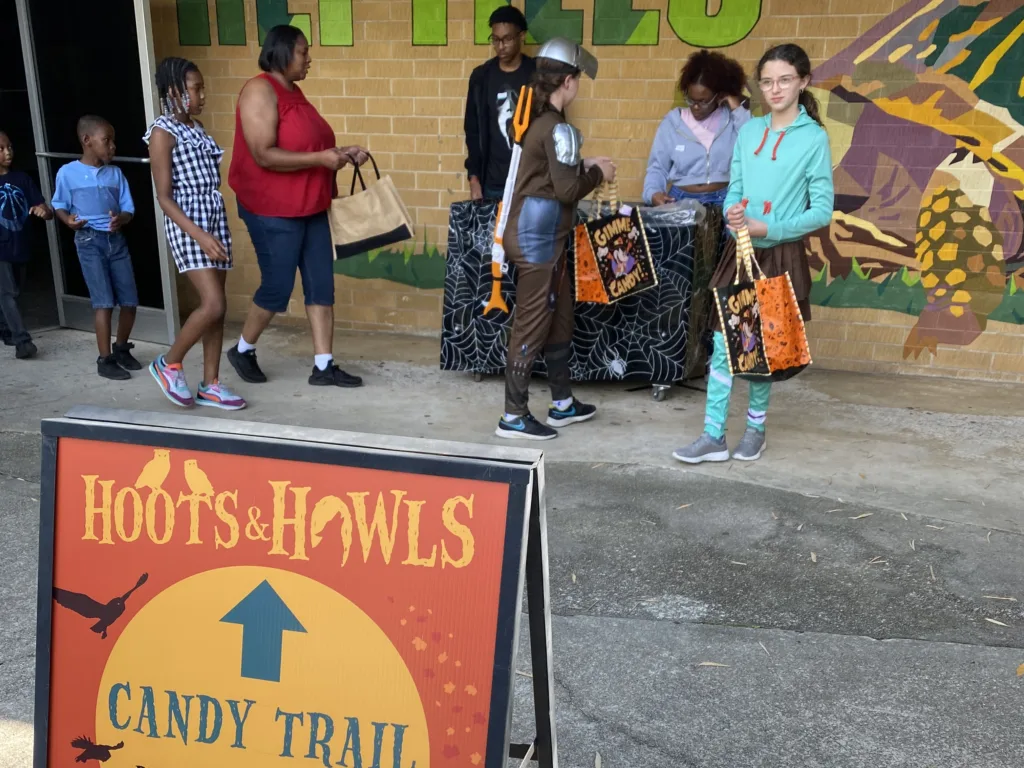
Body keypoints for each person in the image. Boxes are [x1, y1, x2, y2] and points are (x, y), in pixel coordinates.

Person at [672, 43, 834, 464]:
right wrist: (733, 213)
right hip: (739, 252)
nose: (775, 89)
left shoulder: (813, 139)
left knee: (762, 347)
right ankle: (712, 435)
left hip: (780, 255)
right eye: (766, 81)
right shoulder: (749, 131)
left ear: (803, 81)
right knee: (724, 342)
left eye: (784, 80)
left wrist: (771, 227)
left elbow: (821, 210)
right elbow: (736, 189)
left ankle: (756, 430)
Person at [227, 24, 369, 388]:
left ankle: (324, 366)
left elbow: (308, 146)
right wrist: (321, 158)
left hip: (311, 205)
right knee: (277, 287)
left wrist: (341, 152)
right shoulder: (260, 90)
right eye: (303, 52)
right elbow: (264, 154)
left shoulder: (295, 92)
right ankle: (243, 349)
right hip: (272, 208)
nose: (309, 59)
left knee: (321, 284)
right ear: (282, 52)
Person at [496, 39, 616, 441]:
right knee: (531, 324)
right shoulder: (557, 126)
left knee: (560, 314)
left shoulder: (538, 119)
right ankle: (513, 416)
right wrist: (599, 174)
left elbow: (548, 174)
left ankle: (562, 403)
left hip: (543, 236)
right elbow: (566, 190)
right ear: (568, 81)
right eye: (577, 78)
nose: (578, 84)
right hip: (538, 239)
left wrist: (586, 164)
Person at [145, 57, 246, 410]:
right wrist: (201, 235)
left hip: (213, 220)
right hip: (188, 225)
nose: (202, 94)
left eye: (201, 87)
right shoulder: (162, 133)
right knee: (212, 303)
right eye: (196, 88)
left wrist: (212, 230)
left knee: (218, 308)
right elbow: (164, 197)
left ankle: (211, 384)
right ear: (174, 92)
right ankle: (168, 363)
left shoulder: (197, 128)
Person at [52, 116, 142, 380]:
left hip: (116, 241)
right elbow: (59, 204)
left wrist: (121, 219)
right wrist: (67, 219)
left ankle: (122, 347)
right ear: (87, 141)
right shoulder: (68, 173)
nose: (113, 146)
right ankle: (105, 360)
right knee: (103, 303)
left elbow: (128, 209)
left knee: (129, 300)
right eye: (107, 140)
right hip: (89, 241)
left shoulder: (116, 174)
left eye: (113, 140)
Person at [643, 49, 749, 209]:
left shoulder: (732, 120)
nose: (696, 107)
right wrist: (653, 193)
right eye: (690, 100)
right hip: (681, 199)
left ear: (719, 96)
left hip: (726, 198)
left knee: (740, 234)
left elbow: (755, 143)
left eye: (703, 101)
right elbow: (658, 167)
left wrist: (736, 109)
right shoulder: (673, 123)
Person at [464, 6, 536, 201]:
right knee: (492, 233)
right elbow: (472, 132)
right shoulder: (481, 77)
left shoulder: (537, 75)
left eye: (507, 39)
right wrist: (474, 178)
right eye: (495, 39)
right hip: (493, 185)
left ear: (522, 36)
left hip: (531, 185)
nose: (500, 46)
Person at [0, 131, 52, 360]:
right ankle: (23, 341)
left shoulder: (21, 179)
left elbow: (46, 209)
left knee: (14, 292)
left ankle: (5, 328)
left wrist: (44, 211)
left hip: (20, 246)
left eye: (9, 146)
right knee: (7, 293)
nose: (7, 152)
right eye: (0, 149)